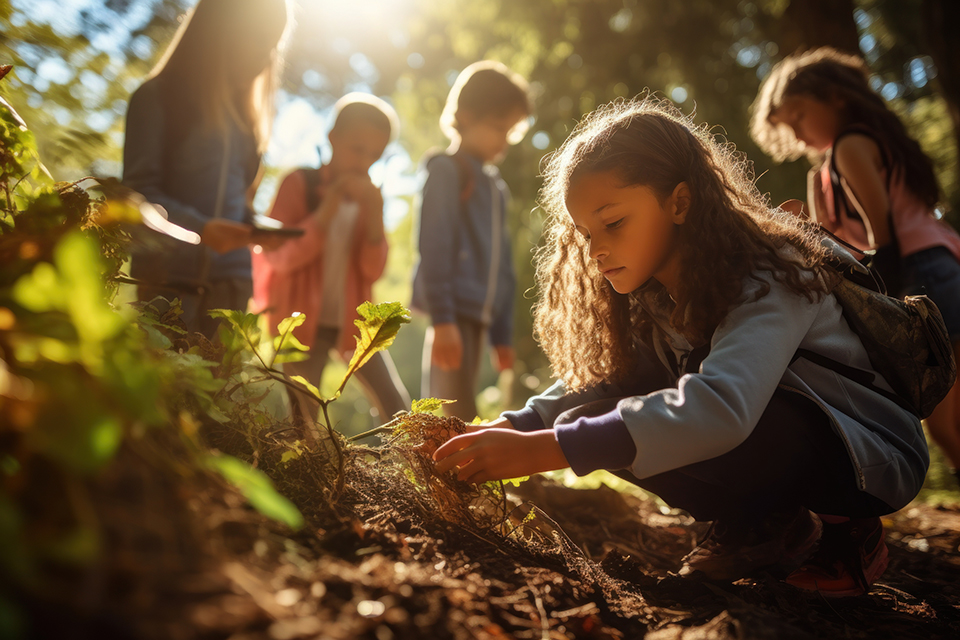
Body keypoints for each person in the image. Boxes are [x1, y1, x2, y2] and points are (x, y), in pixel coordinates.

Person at [432, 96, 929, 597]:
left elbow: (721, 408)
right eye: (585, 233)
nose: (596, 249)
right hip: (773, 432)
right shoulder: (658, 296)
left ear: (679, 202)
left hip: (868, 455)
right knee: (595, 415)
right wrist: (507, 428)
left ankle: (850, 529)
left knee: (607, 431)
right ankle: (764, 521)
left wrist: (547, 450)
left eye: (614, 222)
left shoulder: (773, 272)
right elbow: (604, 378)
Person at [750, 47, 960, 483]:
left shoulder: (850, 147)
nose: (796, 131)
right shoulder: (858, 150)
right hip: (946, 261)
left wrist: (886, 309)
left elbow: (883, 237)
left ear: (835, 98)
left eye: (800, 116)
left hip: (924, 275)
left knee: (943, 423)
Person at [123, 0, 291, 338]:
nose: (264, 55)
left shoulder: (245, 124)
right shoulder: (157, 98)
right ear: (217, 31)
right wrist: (201, 229)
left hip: (231, 287)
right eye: (256, 38)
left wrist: (255, 229)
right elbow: (138, 197)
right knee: (166, 387)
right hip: (167, 281)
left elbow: (236, 206)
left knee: (218, 390)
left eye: (272, 44)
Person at [251, 94, 411, 423]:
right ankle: (303, 472)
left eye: (374, 155)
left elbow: (372, 270)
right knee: (304, 417)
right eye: (357, 149)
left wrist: (376, 214)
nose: (363, 161)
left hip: (352, 321)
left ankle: (418, 468)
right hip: (298, 322)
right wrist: (325, 212)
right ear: (333, 137)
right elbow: (279, 258)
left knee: (395, 402)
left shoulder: (369, 200)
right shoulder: (299, 184)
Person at [411, 60, 532, 422]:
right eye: (498, 129)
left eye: (511, 132)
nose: (504, 142)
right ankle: (438, 475)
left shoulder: (496, 188)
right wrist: (443, 319)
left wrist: (503, 335)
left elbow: (504, 268)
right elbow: (433, 246)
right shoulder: (446, 170)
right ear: (464, 115)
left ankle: (456, 475)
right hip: (453, 312)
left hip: (479, 315)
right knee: (447, 412)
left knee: (462, 408)